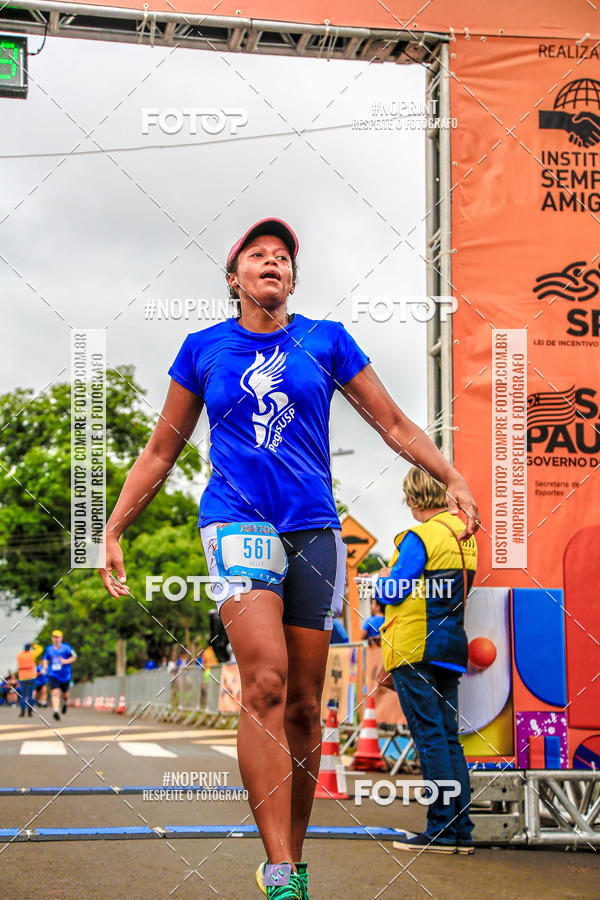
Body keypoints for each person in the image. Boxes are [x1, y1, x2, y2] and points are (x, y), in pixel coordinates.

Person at [98, 217, 479, 899]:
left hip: (313, 528)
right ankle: (280, 873)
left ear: (292, 280)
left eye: (283, 257)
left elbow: (391, 424)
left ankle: (292, 853)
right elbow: (162, 451)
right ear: (233, 277)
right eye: (258, 255)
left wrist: (449, 476)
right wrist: (114, 530)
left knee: (304, 706)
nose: (272, 263)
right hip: (235, 520)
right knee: (266, 684)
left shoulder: (325, 341)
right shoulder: (202, 348)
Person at [374, 466, 478, 854]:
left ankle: (440, 829)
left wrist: (381, 580)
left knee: (429, 736)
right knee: (449, 738)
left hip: (415, 647)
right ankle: (460, 830)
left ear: (415, 500)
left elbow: (396, 587)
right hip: (452, 646)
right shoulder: (465, 536)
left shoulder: (420, 535)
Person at [42, 630, 77, 721]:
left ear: (61, 638)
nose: (56, 639)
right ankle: (56, 711)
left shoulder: (67, 648)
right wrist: (45, 666)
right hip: (53, 674)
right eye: (54, 637)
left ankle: (65, 703)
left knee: (65, 694)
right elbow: (45, 658)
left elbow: (74, 657)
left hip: (65, 675)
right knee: (55, 693)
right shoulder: (49, 649)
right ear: (52, 638)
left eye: (57, 637)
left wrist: (66, 661)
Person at [16, 643, 37, 717]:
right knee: (30, 695)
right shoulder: (32, 654)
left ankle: (22, 711)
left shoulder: (19, 655)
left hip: (22, 677)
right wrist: (33, 645)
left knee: (23, 695)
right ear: (29, 648)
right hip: (31, 676)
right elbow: (40, 649)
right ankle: (30, 711)